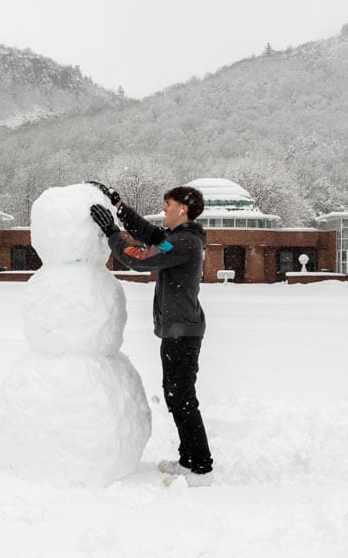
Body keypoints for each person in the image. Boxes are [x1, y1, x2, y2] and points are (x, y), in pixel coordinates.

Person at [88, 181, 213, 487]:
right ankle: (189, 460)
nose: (163, 210)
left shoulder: (183, 243)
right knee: (178, 395)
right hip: (179, 329)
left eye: (167, 205)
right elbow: (149, 234)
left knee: (181, 397)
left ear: (182, 210)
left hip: (182, 332)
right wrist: (119, 207)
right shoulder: (179, 238)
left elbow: (138, 257)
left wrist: (112, 234)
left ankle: (200, 468)